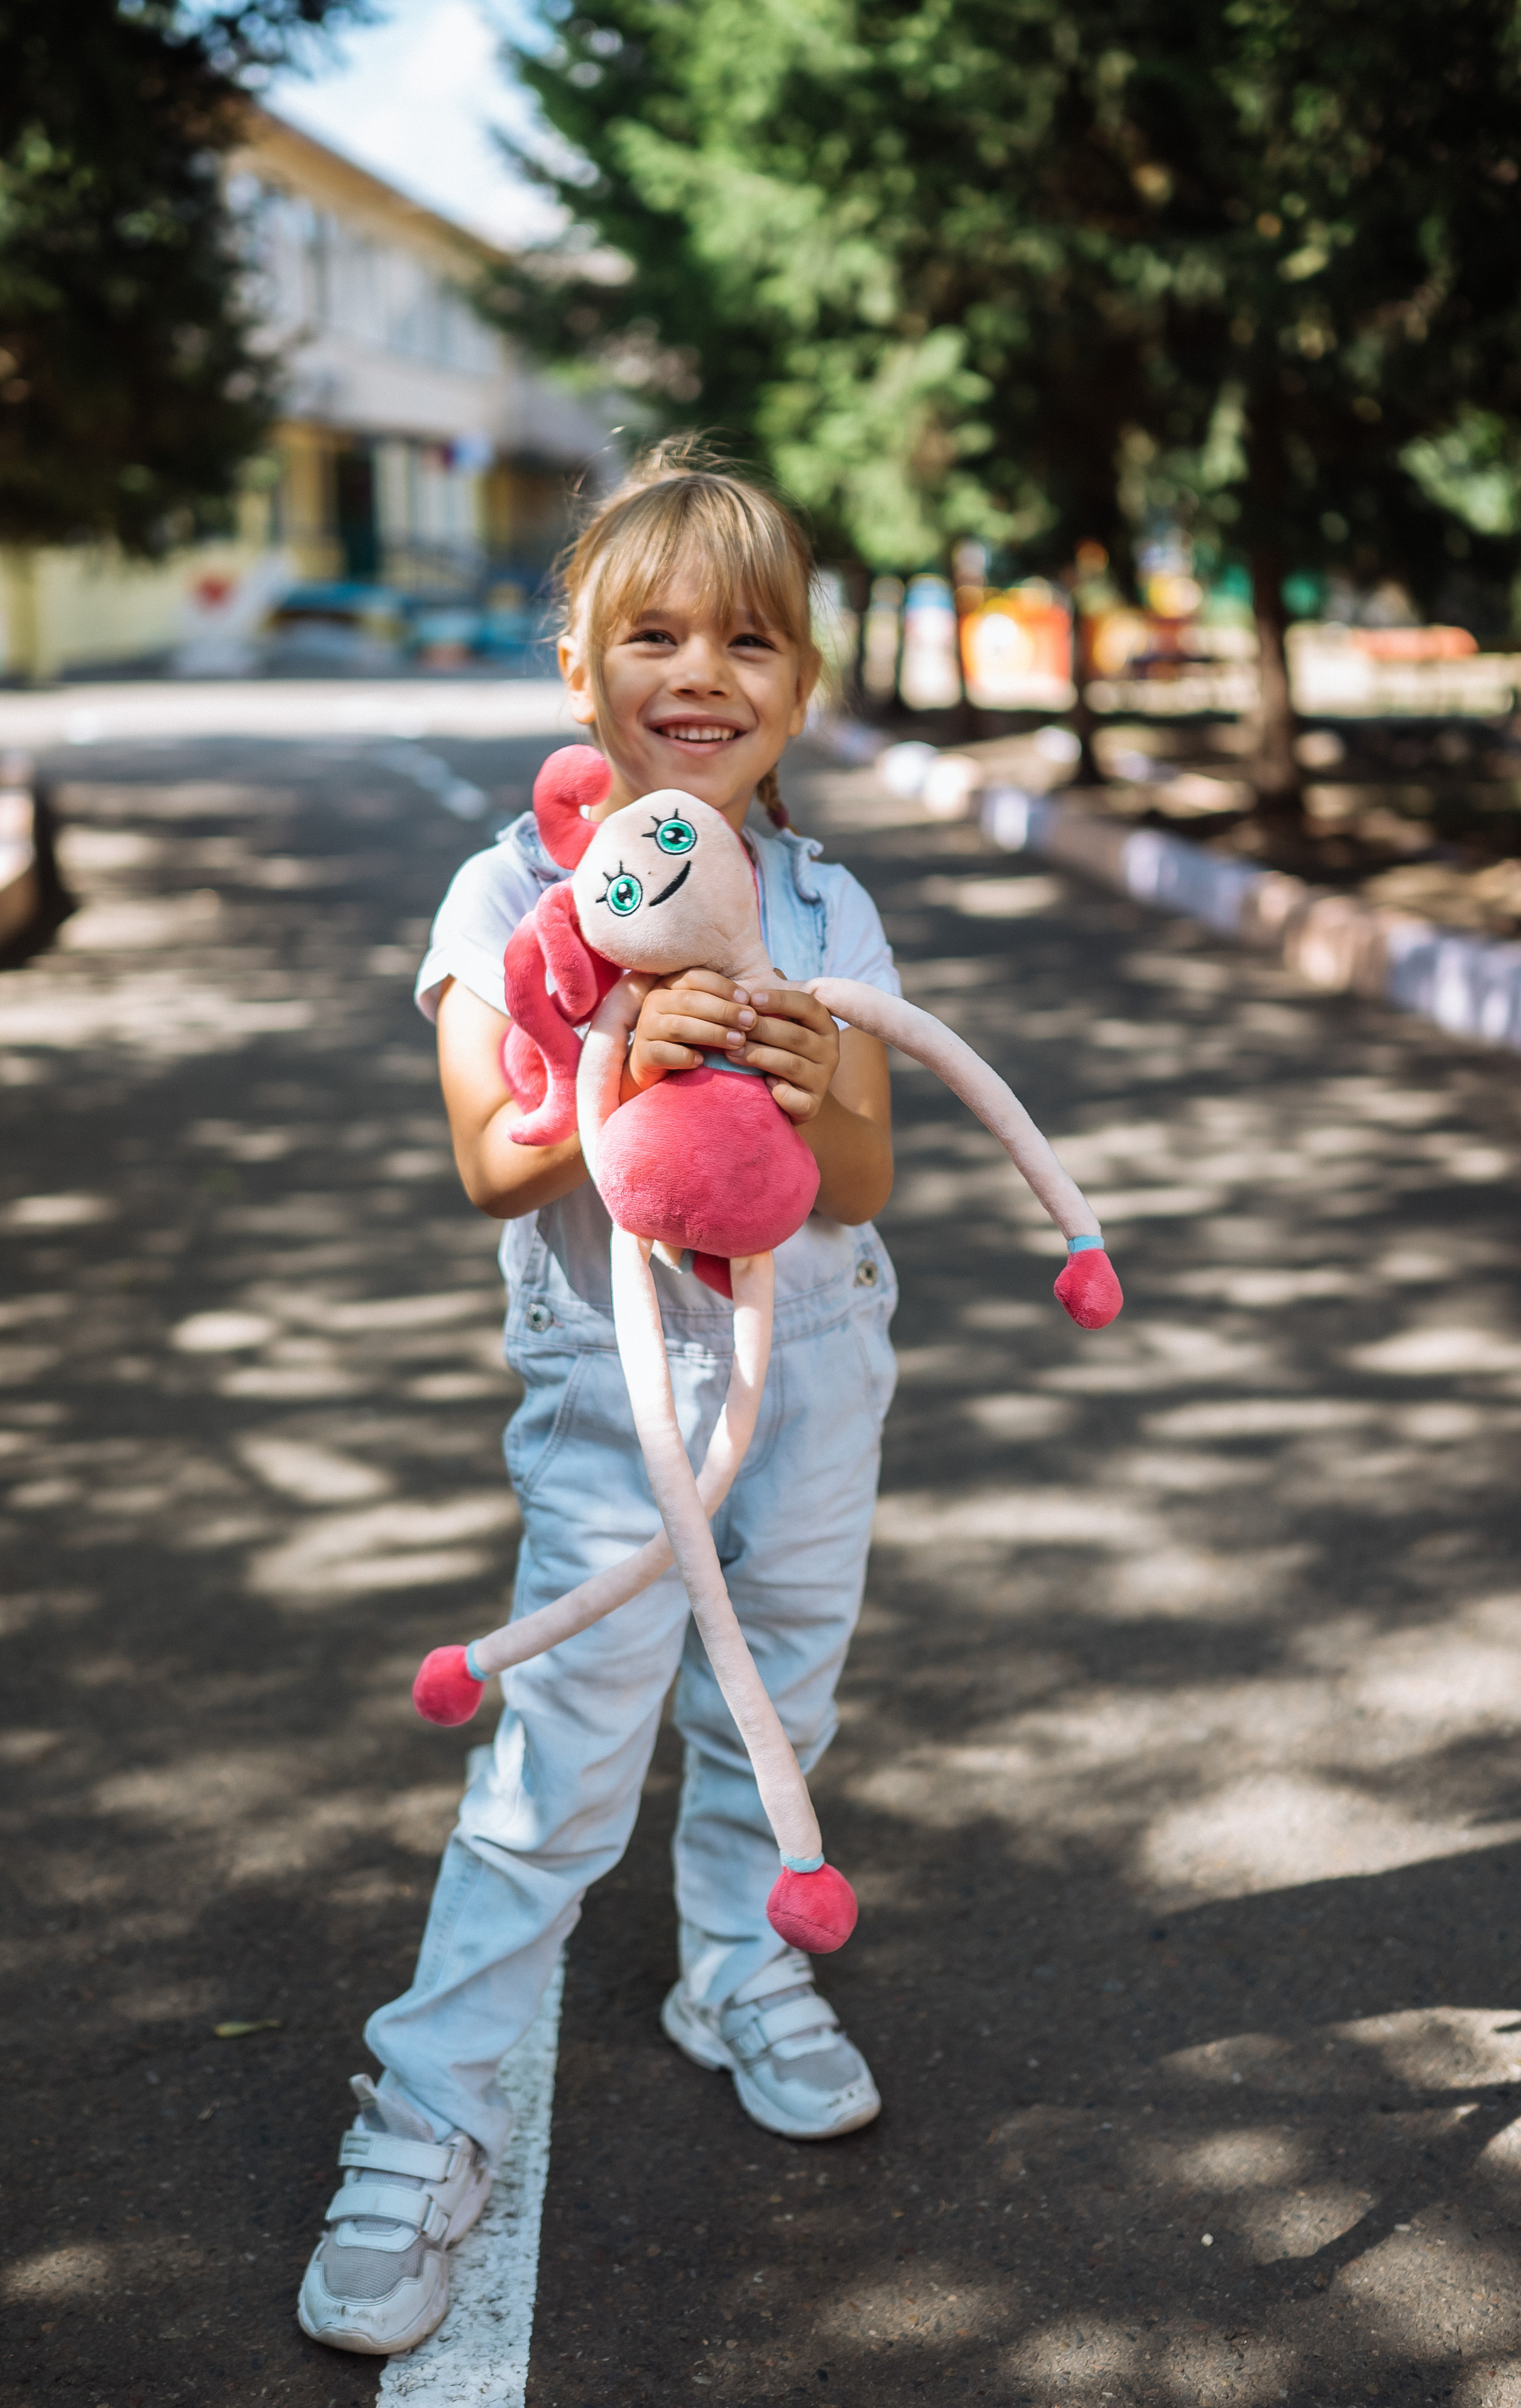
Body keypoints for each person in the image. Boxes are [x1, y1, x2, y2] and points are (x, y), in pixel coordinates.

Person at [298, 444, 902, 2357]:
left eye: (749, 636)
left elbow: (873, 1174)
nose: (700, 670)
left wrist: (815, 1083)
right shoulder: (508, 893)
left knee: (777, 1684)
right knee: (561, 1748)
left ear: (798, 685)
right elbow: (495, 1155)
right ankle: (433, 2101)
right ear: (581, 667)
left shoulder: (823, 902)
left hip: (821, 1358)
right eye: (653, 631)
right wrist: (616, 1052)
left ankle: (731, 1965)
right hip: (615, 1377)